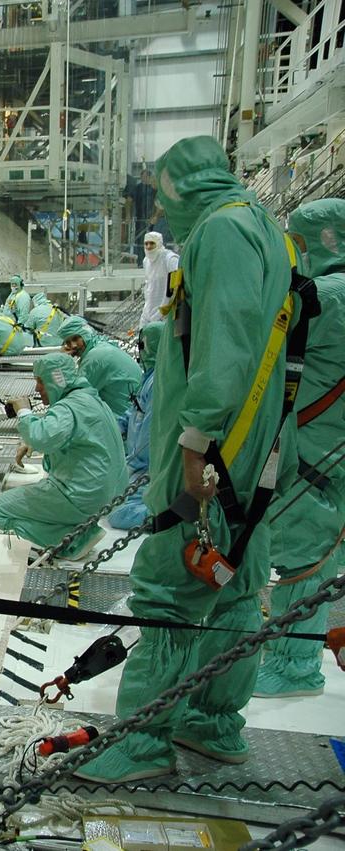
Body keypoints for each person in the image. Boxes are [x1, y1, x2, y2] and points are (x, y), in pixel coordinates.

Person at [75, 136, 298, 783]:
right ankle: (212, 722)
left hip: (214, 451)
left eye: (165, 195)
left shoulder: (221, 234)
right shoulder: (265, 228)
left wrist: (197, 439)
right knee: (233, 588)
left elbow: (222, 345)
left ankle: (140, 746)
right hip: (255, 448)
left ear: (185, 186)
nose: (164, 214)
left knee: (168, 593)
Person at [254, 199, 345, 699]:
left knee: (306, 558)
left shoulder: (327, 297)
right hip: (326, 447)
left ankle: (295, 666)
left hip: (315, 457)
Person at [0, 353, 128, 560]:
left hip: (84, 496)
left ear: (56, 378)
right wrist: (31, 441)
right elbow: (75, 436)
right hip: (111, 492)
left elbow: (43, 437)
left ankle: (75, 540)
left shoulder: (69, 407)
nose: (37, 389)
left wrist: (24, 412)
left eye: (41, 382)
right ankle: (77, 529)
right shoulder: (88, 399)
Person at [109, 322, 163, 530]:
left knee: (118, 513)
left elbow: (148, 436)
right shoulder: (150, 377)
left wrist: (131, 463)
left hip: (148, 470)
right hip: (139, 466)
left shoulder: (158, 381)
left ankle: (169, 518)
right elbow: (133, 413)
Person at [56, 315, 142, 416]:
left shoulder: (95, 358)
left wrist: (59, 362)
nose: (73, 345)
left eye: (75, 338)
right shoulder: (102, 346)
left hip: (124, 422)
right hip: (133, 417)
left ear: (85, 334)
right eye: (68, 343)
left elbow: (73, 399)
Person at [140, 231, 180, 328]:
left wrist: (163, 311)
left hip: (166, 315)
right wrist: (146, 313)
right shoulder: (146, 261)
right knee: (142, 340)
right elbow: (148, 288)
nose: (148, 247)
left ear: (159, 243)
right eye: (146, 244)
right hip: (148, 314)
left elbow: (175, 288)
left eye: (152, 243)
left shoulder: (170, 259)